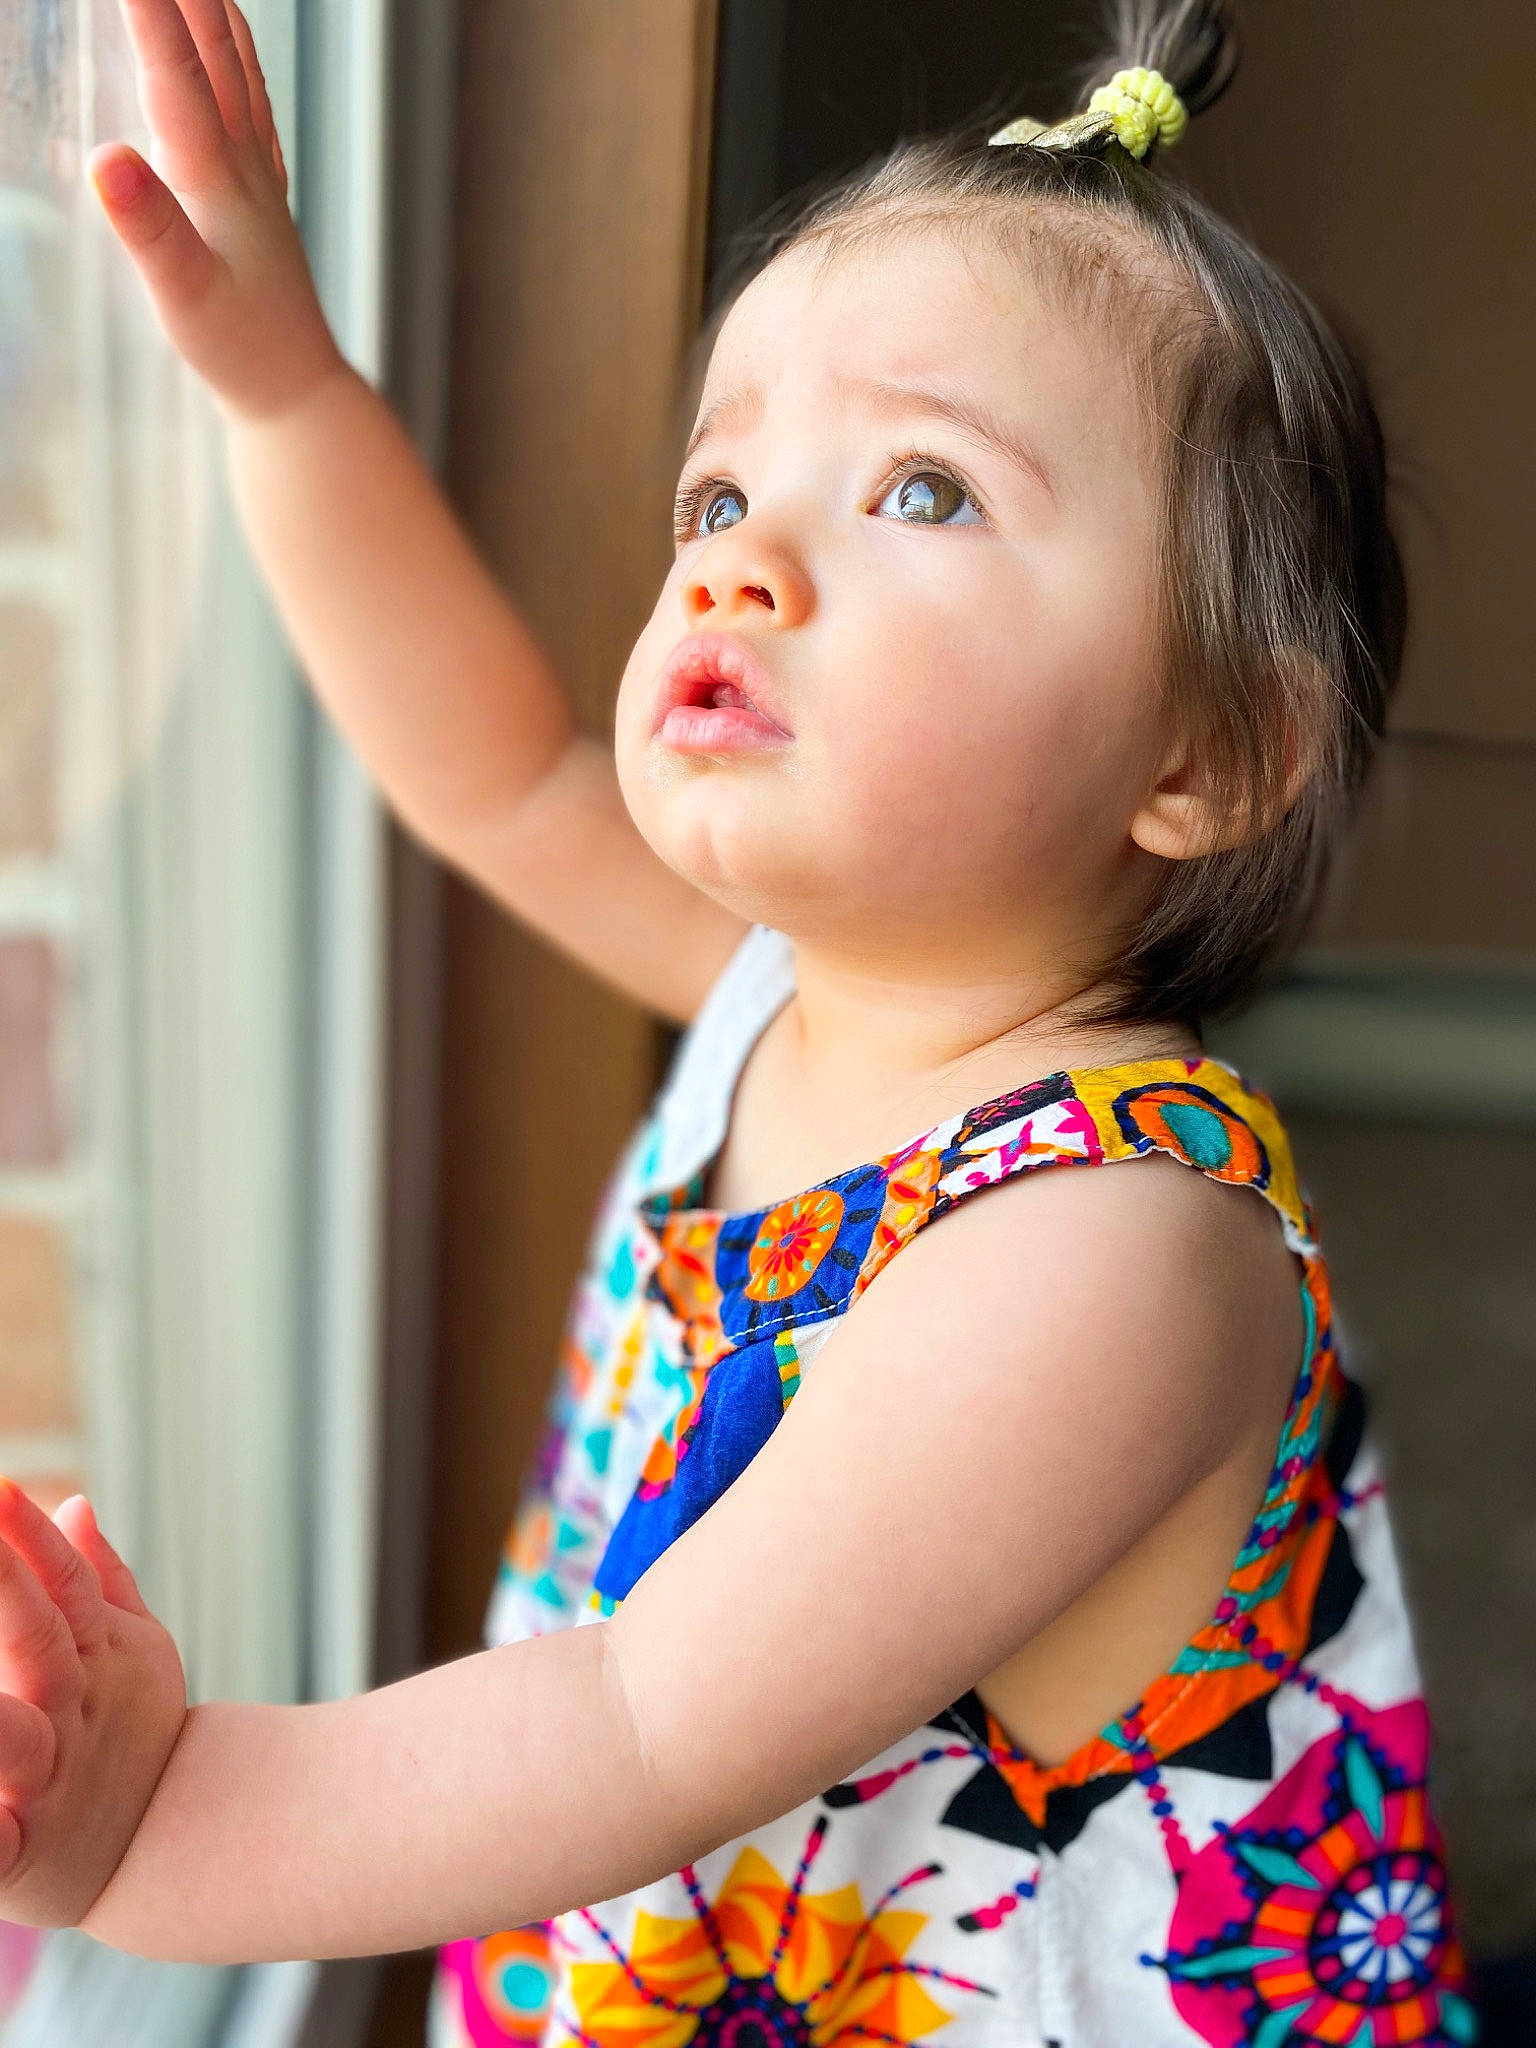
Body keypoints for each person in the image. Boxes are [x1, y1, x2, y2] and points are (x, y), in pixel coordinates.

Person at [0, 0, 1478, 2041]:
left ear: (1209, 752)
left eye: (928, 493)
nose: (742, 568)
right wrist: (281, 389)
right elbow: (503, 772)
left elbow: (632, 1722)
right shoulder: (805, 998)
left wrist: (153, 1819)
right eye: (717, 499)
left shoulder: (1113, 1257)